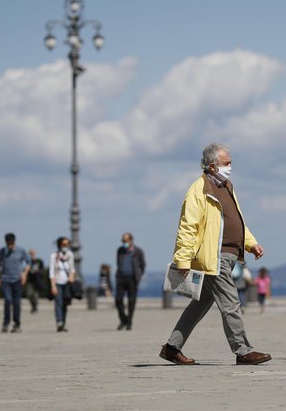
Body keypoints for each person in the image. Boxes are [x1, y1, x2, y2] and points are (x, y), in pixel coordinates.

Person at [159, 142, 272, 366]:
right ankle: (243, 351)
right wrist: (182, 259)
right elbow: (188, 227)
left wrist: (251, 243)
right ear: (212, 166)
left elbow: (236, 221)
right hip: (214, 258)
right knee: (231, 303)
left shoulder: (227, 186)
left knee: (199, 305)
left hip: (229, 257)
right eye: (226, 163)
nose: (230, 167)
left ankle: (172, 348)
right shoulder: (199, 191)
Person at [0, 233, 30, 333]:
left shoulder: (21, 251)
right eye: (8, 243)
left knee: (17, 303)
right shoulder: (1, 251)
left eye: (12, 243)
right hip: (5, 280)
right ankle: (6, 323)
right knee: (8, 300)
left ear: (14, 242)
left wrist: (24, 274)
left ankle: (17, 324)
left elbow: (28, 263)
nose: (10, 245)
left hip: (17, 280)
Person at [115, 232, 146, 331]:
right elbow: (118, 263)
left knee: (131, 302)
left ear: (131, 240)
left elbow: (143, 264)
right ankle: (123, 319)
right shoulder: (120, 250)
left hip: (132, 279)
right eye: (123, 241)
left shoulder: (137, 251)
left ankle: (129, 322)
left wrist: (139, 276)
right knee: (118, 300)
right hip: (121, 277)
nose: (124, 242)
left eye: (125, 240)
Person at [49, 236, 76, 332]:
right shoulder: (54, 256)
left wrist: (72, 276)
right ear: (59, 245)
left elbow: (72, 268)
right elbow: (51, 271)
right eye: (64, 244)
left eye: (67, 244)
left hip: (67, 283)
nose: (65, 246)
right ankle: (59, 321)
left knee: (65, 303)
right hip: (57, 282)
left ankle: (63, 323)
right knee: (58, 303)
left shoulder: (70, 255)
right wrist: (53, 285)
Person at [25, 248, 44, 314]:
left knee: (36, 295)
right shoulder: (28, 261)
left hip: (37, 281)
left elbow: (42, 271)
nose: (32, 254)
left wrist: (38, 271)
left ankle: (35, 307)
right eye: (31, 253)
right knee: (29, 294)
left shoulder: (39, 261)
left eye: (33, 253)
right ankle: (33, 305)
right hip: (30, 280)